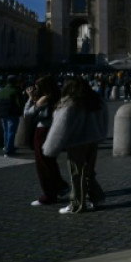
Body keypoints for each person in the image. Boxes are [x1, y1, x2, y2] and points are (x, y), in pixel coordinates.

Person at [43, 77, 109, 214]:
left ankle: (77, 204)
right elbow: (104, 119)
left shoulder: (69, 103)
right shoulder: (96, 100)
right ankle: (97, 197)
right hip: (93, 141)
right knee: (88, 172)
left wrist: (50, 148)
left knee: (77, 174)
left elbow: (60, 128)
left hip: (77, 143)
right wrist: (100, 135)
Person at [24, 76, 69, 206]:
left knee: (42, 164)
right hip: (52, 129)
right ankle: (60, 186)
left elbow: (27, 114)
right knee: (50, 162)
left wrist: (29, 98)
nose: (35, 89)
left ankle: (49, 194)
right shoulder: (57, 96)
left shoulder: (44, 98)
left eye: (37, 87)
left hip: (42, 131)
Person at [0, 75, 24, 156]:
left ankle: (7, 147)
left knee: (6, 131)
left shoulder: (0, 91)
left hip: (2, 114)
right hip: (13, 113)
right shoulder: (16, 91)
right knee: (11, 132)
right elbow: (20, 104)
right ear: (15, 82)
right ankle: (9, 150)